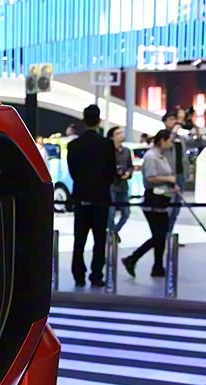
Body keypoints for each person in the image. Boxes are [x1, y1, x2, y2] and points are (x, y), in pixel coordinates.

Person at [67, 105, 116, 288]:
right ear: (99, 121)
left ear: (83, 120)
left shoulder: (74, 145)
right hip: (100, 198)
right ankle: (96, 275)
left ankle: (78, 275)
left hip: (81, 197)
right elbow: (111, 172)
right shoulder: (106, 145)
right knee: (99, 240)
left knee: (79, 240)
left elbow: (73, 172)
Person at [121, 129, 180, 278]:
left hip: (164, 199)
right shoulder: (151, 157)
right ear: (162, 140)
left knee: (161, 235)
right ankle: (132, 258)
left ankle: (158, 266)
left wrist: (172, 184)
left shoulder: (162, 156)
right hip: (153, 200)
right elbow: (151, 177)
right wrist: (169, 180)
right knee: (159, 236)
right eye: (170, 141)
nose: (171, 144)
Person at [162, 111, 190, 234]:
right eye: (171, 119)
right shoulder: (163, 136)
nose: (174, 122)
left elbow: (198, 141)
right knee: (169, 206)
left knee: (176, 207)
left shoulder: (181, 138)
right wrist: (174, 131)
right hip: (168, 176)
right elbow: (166, 145)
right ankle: (164, 234)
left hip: (181, 175)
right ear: (164, 122)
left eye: (175, 119)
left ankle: (169, 233)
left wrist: (194, 125)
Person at [107, 126, 133, 242]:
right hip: (111, 185)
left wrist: (128, 172)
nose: (121, 135)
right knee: (111, 213)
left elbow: (130, 166)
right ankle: (112, 234)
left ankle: (114, 232)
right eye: (118, 133)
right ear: (112, 137)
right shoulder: (107, 151)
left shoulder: (126, 151)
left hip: (123, 185)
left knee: (126, 213)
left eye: (121, 132)